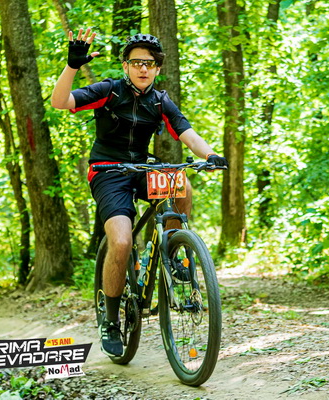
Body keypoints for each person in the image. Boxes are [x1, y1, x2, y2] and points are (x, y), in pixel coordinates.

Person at [51, 28, 227, 357]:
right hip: (107, 171)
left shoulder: (159, 101)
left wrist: (210, 155)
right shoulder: (109, 91)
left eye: (149, 63)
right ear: (126, 66)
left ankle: (174, 252)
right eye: (136, 63)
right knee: (121, 242)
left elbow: (187, 133)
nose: (142, 68)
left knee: (181, 183)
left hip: (142, 167)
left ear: (157, 69)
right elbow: (60, 102)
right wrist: (72, 66)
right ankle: (111, 320)